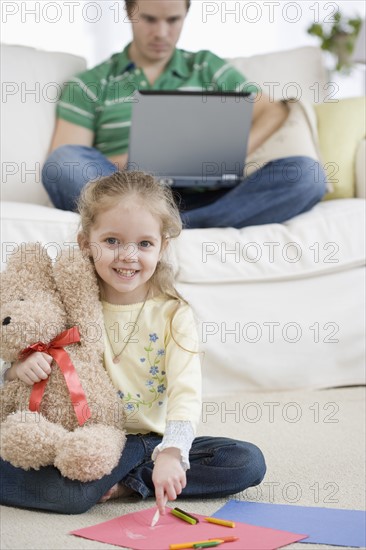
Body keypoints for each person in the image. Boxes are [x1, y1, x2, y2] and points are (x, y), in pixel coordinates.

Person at [0, 171, 266, 514]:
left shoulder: (173, 314)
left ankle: (129, 482)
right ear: (85, 243)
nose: (128, 255)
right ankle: (108, 480)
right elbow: (25, 347)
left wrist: (172, 451)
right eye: (111, 241)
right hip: (88, 436)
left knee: (245, 461)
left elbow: (186, 391)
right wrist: (17, 369)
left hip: (151, 441)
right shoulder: (70, 300)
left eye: (144, 244)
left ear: (162, 247)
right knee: (70, 497)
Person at [41, 0, 327, 228]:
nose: (161, 33)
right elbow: (66, 158)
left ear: (185, 15)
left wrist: (231, 153)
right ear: (129, 12)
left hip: (208, 197)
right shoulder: (89, 84)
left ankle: (164, 228)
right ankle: (152, 223)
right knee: (64, 163)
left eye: (173, 20)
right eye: (150, 19)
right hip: (127, 194)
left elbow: (273, 111)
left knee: (307, 175)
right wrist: (126, 165)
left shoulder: (206, 67)